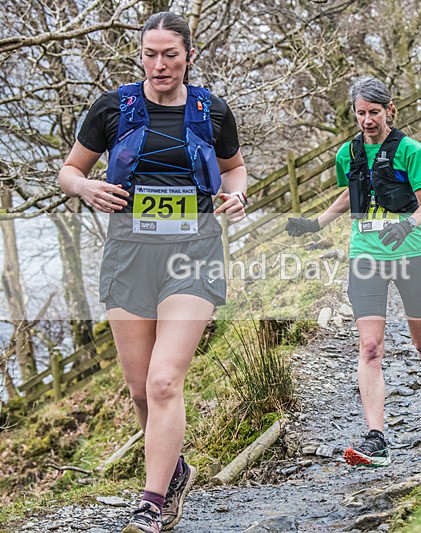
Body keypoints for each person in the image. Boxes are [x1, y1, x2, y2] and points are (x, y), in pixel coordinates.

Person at [58, 12, 247, 533]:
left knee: (165, 381)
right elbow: (70, 169)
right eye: (150, 54)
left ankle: (152, 501)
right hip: (128, 257)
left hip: (194, 254)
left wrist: (237, 193)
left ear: (189, 55)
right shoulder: (112, 108)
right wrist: (85, 188)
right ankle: (175, 468)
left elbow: (233, 167)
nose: (160, 64)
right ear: (140, 55)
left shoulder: (212, 110)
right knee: (141, 388)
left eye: (170, 54)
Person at [285, 76, 421, 467]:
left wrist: (407, 224)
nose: (367, 120)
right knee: (370, 347)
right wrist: (316, 222)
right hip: (364, 254)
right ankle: (376, 437)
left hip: (409, 252)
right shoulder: (347, 153)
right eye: (361, 113)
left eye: (374, 113)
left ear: (389, 110)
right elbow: (353, 191)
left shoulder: (410, 151)